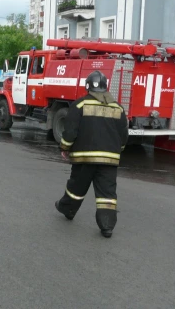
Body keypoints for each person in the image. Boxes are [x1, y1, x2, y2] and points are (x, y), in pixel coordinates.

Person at [55, 70, 129, 238]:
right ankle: (107, 227)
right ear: (105, 87)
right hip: (109, 160)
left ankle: (67, 209)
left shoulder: (79, 105)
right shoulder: (118, 108)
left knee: (76, 187)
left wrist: (65, 148)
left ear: (88, 87)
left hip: (84, 158)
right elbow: (123, 135)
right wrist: (119, 150)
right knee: (107, 195)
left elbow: (70, 131)